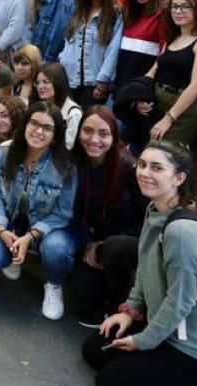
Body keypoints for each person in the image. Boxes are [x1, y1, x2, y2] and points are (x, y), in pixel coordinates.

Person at [82, 141, 197, 386]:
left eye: (157, 168)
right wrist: (129, 311)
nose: (144, 173)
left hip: (195, 347)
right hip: (165, 325)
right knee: (94, 350)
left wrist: (143, 340)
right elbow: (145, 265)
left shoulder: (183, 232)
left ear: (179, 178)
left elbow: (180, 301)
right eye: (142, 164)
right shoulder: (156, 206)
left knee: (109, 380)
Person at [0, 101, 78, 320]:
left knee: (57, 250)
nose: (38, 131)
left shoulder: (66, 165)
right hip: (13, 224)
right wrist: (0, 228)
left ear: (55, 135)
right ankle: (17, 256)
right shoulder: (5, 151)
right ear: (24, 125)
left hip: (49, 228)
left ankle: (54, 285)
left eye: (47, 127)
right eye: (33, 123)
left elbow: (64, 213)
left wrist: (30, 236)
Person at [67, 108, 146, 327]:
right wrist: (90, 242)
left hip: (127, 244)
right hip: (93, 240)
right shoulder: (75, 163)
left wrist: (104, 244)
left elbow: (150, 220)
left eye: (104, 133)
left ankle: (119, 305)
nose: (94, 139)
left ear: (114, 137)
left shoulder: (129, 167)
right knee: (80, 285)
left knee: (115, 248)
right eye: (88, 131)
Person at [139, 0, 197, 150]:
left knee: (165, 154)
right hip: (158, 99)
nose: (178, 11)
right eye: (174, 6)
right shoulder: (173, 37)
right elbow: (153, 71)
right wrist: (141, 96)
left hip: (183, 108)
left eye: (185, 6)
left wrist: (169, 118)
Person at [60, 0, 123, 108]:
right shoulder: (79, 11)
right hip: (71, 80)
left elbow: (113, 50)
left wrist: (102, 82)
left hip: (94, 83)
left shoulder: (114, 14)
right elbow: (68, 43)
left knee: (85, 122)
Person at [117, 0, 168, 92]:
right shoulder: (132, 13)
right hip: (123, 85)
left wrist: (146, 87)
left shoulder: (164, 14)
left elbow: (164, 55)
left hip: (143, 88)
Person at [37, 61, 84, 150]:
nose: (40, 87)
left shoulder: (73, 113)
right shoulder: (42, 107)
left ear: (58, 82)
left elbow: (68, 147)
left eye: (46, 82)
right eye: (38, 82)